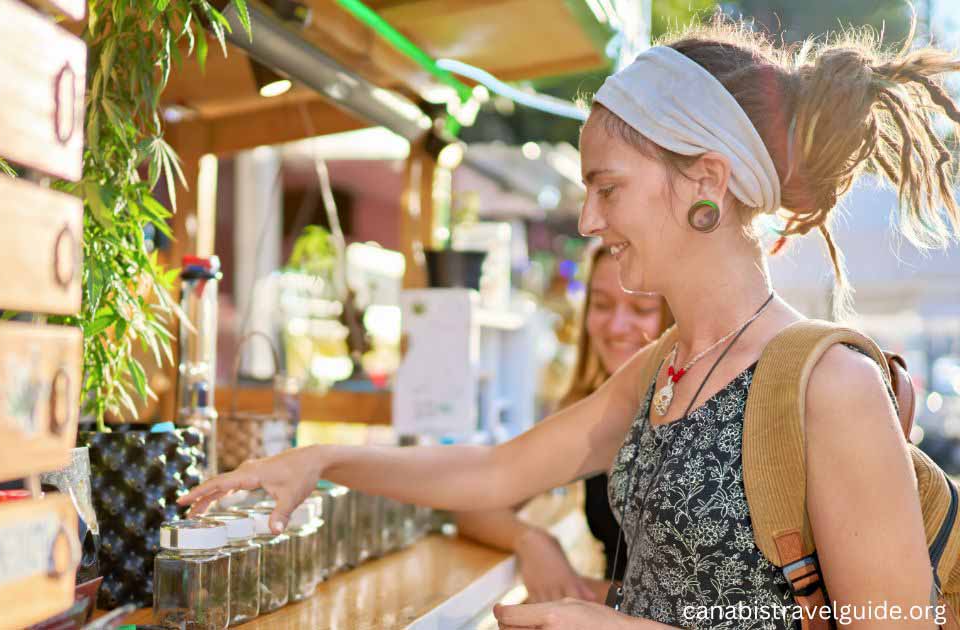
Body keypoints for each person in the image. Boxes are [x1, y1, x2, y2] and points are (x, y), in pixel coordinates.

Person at [182, 19, 959, 629]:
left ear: (707, 183)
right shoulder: (664, 367)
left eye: (607, 187)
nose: (588, 219)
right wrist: (319, 460)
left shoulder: (830, 386)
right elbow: (496, 472)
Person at [452, 244, 673, 604]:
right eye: (602, 304)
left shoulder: (701, 415)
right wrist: (532, 541)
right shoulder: (591, 411)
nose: (617, 325)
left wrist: (580, 595)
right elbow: (474, 501)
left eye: (641, 308)